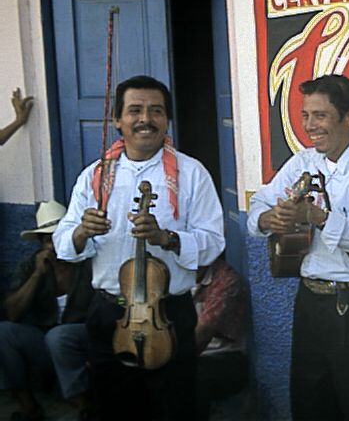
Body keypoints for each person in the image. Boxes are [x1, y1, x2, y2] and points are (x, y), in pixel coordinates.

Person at [53, 75, 226, 421]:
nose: (145, 119)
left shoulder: (191, 174)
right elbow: (63, 243)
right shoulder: (95, 176)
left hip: (169, 316)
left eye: (156, 111)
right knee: (116, 409)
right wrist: (82, 233)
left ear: (166, 119)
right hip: (108, 315)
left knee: (174, 409)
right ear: (117, 119)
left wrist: (169, 239)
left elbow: (214, 243)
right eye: (134, 110)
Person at [247, 74, 349, 420]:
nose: (310, 126)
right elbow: (259, 204)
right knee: (310, 401)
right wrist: (272, 219)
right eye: (305, 116)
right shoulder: (303, 162)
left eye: (320, 116)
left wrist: (316, 216)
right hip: (309, 300)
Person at [0, 200, 94, 421]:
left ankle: (82, 406)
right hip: (45, 341)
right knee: (4, 332)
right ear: (41, 243)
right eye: (47, 240)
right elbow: (12, 313)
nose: (53, 245)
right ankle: (28, 406)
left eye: (57, 237)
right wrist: (36, 275)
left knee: (59, 336)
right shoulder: (30, 265)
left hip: (82, 339)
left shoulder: (87, 263)